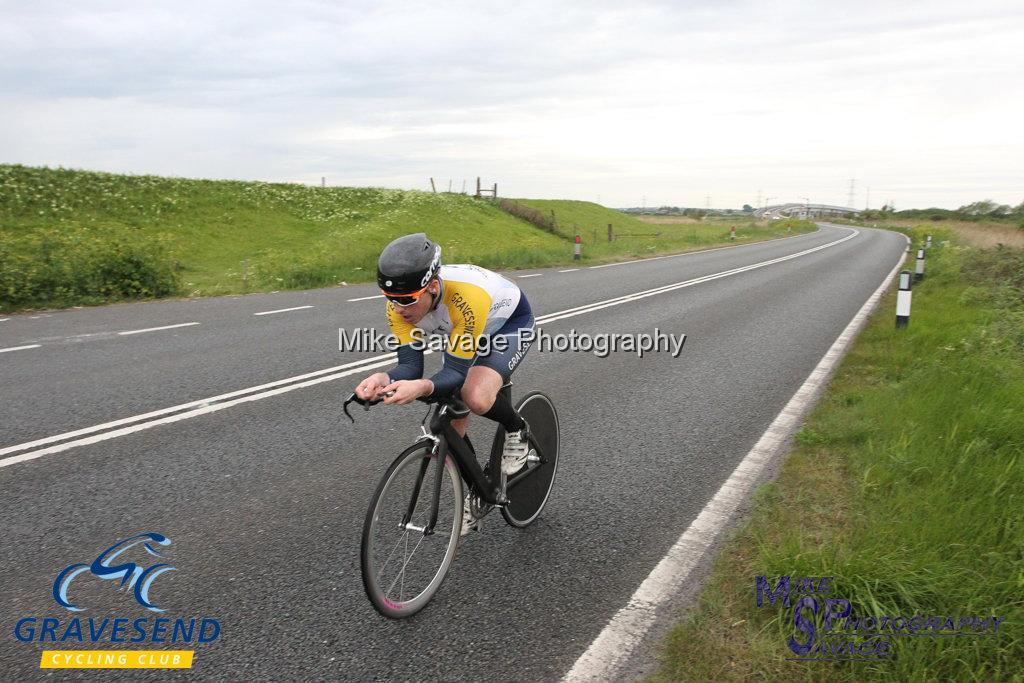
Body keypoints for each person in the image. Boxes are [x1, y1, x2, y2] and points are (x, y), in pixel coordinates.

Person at [354, 233, 535, 534]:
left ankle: (518, 429)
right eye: (390, 300)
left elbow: (453, 372)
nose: (398, 309)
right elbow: (411, 366)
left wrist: (423, 387)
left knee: (473, 395)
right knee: (452, 426)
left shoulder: (466, 298)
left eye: (407, 300)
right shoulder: (399, 305)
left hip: (507, 325)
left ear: (433, 287)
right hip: (463, 332)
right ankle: (479, 490)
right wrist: (383, 378)